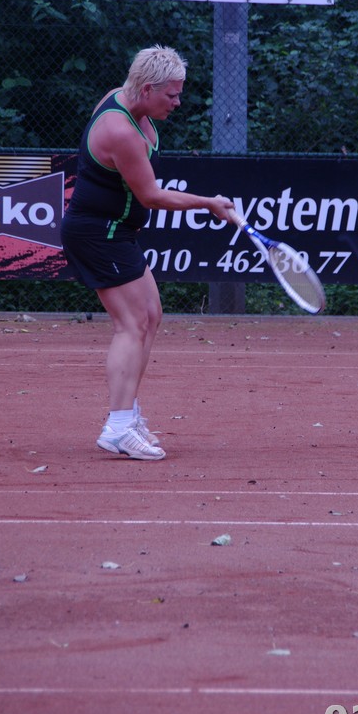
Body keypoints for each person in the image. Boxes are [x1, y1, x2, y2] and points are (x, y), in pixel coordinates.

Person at [61, 45, 235, 460]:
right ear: (146, 89)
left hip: (117, 232)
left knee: (151, 315)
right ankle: (118, 427)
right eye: (171, 95)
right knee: (132, 324)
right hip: (98, 234)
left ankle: (129, 414)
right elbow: (151, 195)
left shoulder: (126, 103)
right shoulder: (120, 130)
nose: (177, 102)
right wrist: (209, 203)